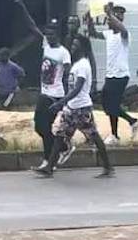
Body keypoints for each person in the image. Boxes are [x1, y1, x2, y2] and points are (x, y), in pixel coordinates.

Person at [33, 36, 114, 178]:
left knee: (94, 136)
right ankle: (49, 168)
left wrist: (60, 102)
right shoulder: (76, 64)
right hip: (72, 108)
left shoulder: (83, 65)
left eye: (76, 45)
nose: (72, 47)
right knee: (59, 136)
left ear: (83, 48)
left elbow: (77, 88)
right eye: (73, 44)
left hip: (82, 109)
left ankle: (108, 167)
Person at [13, 0, 73, 168]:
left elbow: (68, 76)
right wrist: (21, 4)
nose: (49, 37)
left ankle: (49, 160)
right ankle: (62, 147)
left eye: (52, 34)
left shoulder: (63, 53)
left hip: (55, 95)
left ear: (58, 35)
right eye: (47, 34)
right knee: (39, 127)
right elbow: (32, 26)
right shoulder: (46, 44)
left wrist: (66, 99)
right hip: (44, 93)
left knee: (45, 127)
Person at [87, 4, 138, 145]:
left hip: (120, 76)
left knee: (111, 105)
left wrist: (110, 13)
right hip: (110, 75)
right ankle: (129, 124)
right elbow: (93, 33)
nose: (109, 21)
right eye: (110, 18)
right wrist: (89, 20)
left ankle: (117, 134)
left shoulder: (125, 35)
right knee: (108, 104)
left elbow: (122, 29)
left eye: (113, 18)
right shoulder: (108, 34)